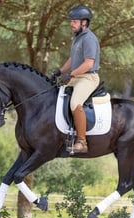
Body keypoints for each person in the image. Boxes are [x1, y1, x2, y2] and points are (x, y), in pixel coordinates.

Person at [52, 5, 100, 153]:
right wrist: (60, 71)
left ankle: (82, 142)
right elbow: (73, 59)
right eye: (71, 21)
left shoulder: (89, 39)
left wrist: (71, 74)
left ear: (84, 22)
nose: (71, 24)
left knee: (75, 103)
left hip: (88, 77)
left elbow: (88, 63)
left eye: (74, 21)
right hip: (77, 76)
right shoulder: (77, 38)